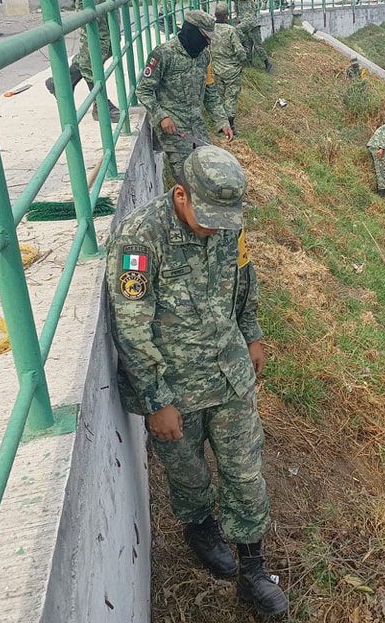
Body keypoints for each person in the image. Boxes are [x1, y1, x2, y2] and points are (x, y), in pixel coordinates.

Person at [105, 145, 289, 618]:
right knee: (188, 477)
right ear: (180, 194)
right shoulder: (139, 239)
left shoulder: (228, 225)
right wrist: (155, 399)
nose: (215, 227)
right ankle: (200, 526)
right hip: (175, 391)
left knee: (245, 474)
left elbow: (244, 282)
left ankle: (253, 569)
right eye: (205, 216)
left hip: (229, 377)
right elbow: (130, 324)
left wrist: (251, 334)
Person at [135, 10, 234, 182]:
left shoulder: (204, 56)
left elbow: (210, 91)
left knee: (206, 174)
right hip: (174, 131)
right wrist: (161, 117)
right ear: (193, 31)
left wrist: (222, 121)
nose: (208, 43)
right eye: (205, 38)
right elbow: (143, 90)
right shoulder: (164, 54)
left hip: (197, 128)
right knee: (187, 181)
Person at [209, 2, 247, 134]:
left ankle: (220, 124)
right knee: (231, 97)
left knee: (219, 96)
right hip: (231, 71)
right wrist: (243, 62)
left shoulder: (210, 30)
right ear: (226, 16)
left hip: (216, 69)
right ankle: (230, 125)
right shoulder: (231, 30)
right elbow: (240, 51)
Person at [226, 0, 273, 73]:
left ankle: (267, 63)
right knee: (249, 44)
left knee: (255, 44)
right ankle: (249, 63)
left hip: (249, 23)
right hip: (251, 24)